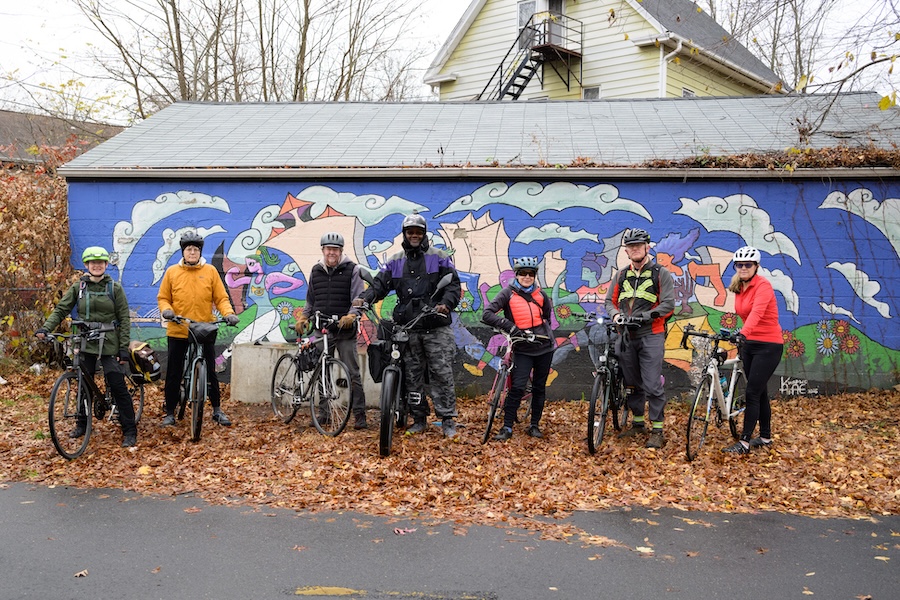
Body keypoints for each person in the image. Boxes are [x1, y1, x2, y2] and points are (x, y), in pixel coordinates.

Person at [352, 213, 462, 438]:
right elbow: (380, 285)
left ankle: (447, 419)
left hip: (435, 325)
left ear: (424, 234)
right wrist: (365, 298)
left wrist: (445, 304)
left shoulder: (438, 257)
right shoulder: (395, 261)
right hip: (409, 328)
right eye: (410, 232)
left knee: (441, 373)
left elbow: (453, 285)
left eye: (418, 232)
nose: (414, 235)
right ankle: (419, 418)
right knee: (412, 375)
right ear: (404, 234)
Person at [36, 246, 138, 447]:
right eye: (93, 263)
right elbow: (62, 308)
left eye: (100, 262)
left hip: (109, 340)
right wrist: (46, 328)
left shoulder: (114, 288)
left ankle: (129, 430)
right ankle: (82, 423)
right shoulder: (79, 287)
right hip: (85, 339)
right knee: (83, 383)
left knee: (117, 383)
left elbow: (124, 319)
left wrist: (123, 348)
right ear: (86, 265)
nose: (97, 266)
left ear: (106, 265)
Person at [158, 231, 240, 428]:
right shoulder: (172, 272)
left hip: (205, 328)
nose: (192, 252)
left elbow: (221, 298)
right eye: (189, 249)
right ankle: (169, 412)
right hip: (179, 328)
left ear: (200, 251)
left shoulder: (210, 271)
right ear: (183, 252)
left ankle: (217, 410)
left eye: (195, 249)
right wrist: (167, 311)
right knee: (174, 372)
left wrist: (228, 313)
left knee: (211, 370)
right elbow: (163, 298)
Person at [604, 228, 675, 449]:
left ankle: (657, 430)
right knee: (631, 384)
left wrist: (644, 317)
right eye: (630, 246)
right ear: (626, 250)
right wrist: (615, 315)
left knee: (653, 384)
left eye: (638, 245)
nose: (635, 249)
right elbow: (609, 301)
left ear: (647, 247)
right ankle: (637, 424)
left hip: (650, 335)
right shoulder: (621, 275)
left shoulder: (659, 273)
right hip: (625, 336)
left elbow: (668, 304)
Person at [296, 232, 368, 429]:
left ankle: (360, 416)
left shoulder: (352, 269)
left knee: (352, 372)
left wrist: (352, 315)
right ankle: (324, 413)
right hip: (322, 331)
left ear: (341, 251)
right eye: (328, 249)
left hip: (344, 331)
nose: (332, 253)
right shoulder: (316, 270)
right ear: (323, 250)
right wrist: (304, 317)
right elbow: (311, 299)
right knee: (322, 372)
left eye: (335, 249)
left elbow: (358, 297)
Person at [482, 257, 555, 441]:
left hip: (544, 346)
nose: (527, 277)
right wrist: (511, 327)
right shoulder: (507, 293)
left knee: (539, 388)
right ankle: (507, 427)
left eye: (531, 274)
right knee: (517, 387)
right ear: (516, 275)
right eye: (523, 273)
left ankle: (534, 425)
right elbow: (487, 314)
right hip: (522, 348)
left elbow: (546, 316)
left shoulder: (541, 295)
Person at [722, 246, 783, 454]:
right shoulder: (739, 287)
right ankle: (765, 437)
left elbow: (757, 314)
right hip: (749, 344)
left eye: (748, 264)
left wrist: (743, 333)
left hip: (768, 345)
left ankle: (745, 442)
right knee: (760, 391)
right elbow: (746, 316)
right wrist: (740, 334)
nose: (743, 268)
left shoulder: (763, 286)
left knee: (752, 392)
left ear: (756, 266)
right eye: (739, 265)